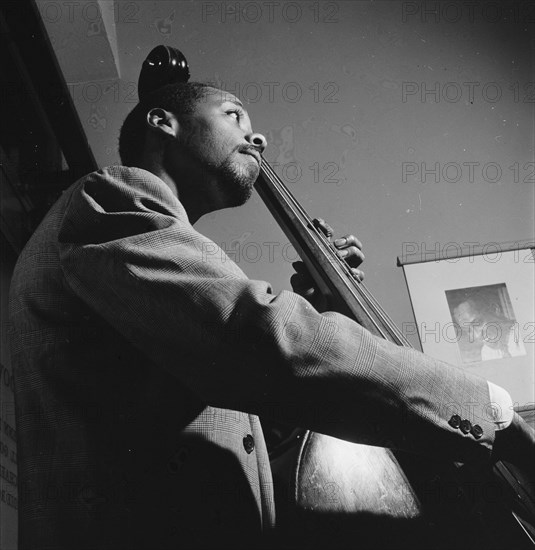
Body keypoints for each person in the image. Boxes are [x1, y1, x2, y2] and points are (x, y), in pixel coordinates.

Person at [8, 82, 534, 549]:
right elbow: (258, 340)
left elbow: (272, 420)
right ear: (161, 121)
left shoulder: (164, 268)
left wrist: (331, 306)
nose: (256, 139)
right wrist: (490, 410)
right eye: (233, 115)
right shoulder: (112, 197)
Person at [453, 295, 526, 361]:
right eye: (468, 330)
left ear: (494, 310)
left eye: (478, 323)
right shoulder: (486, 352)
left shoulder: (523, 334)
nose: (477, 335)